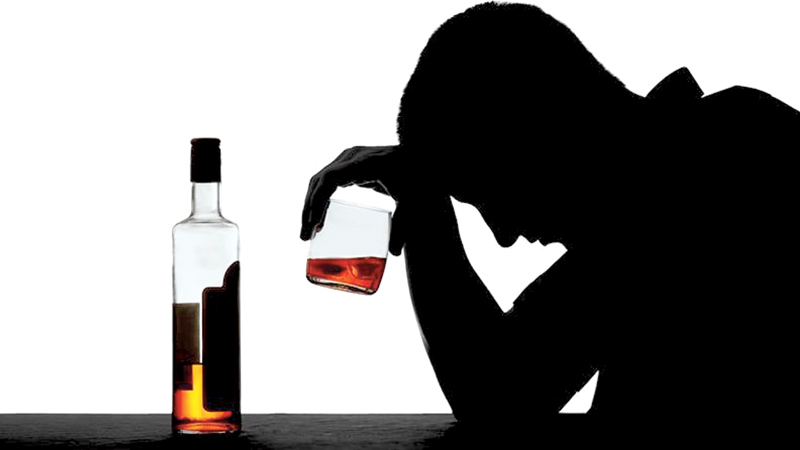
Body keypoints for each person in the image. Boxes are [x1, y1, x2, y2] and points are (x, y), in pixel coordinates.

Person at [300, 2, 799, 429]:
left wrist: (425, 202)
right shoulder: (704, 158)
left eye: (489, 193)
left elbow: (497, 398)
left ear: (537, 132)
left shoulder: (699, 173)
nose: (503, 234)